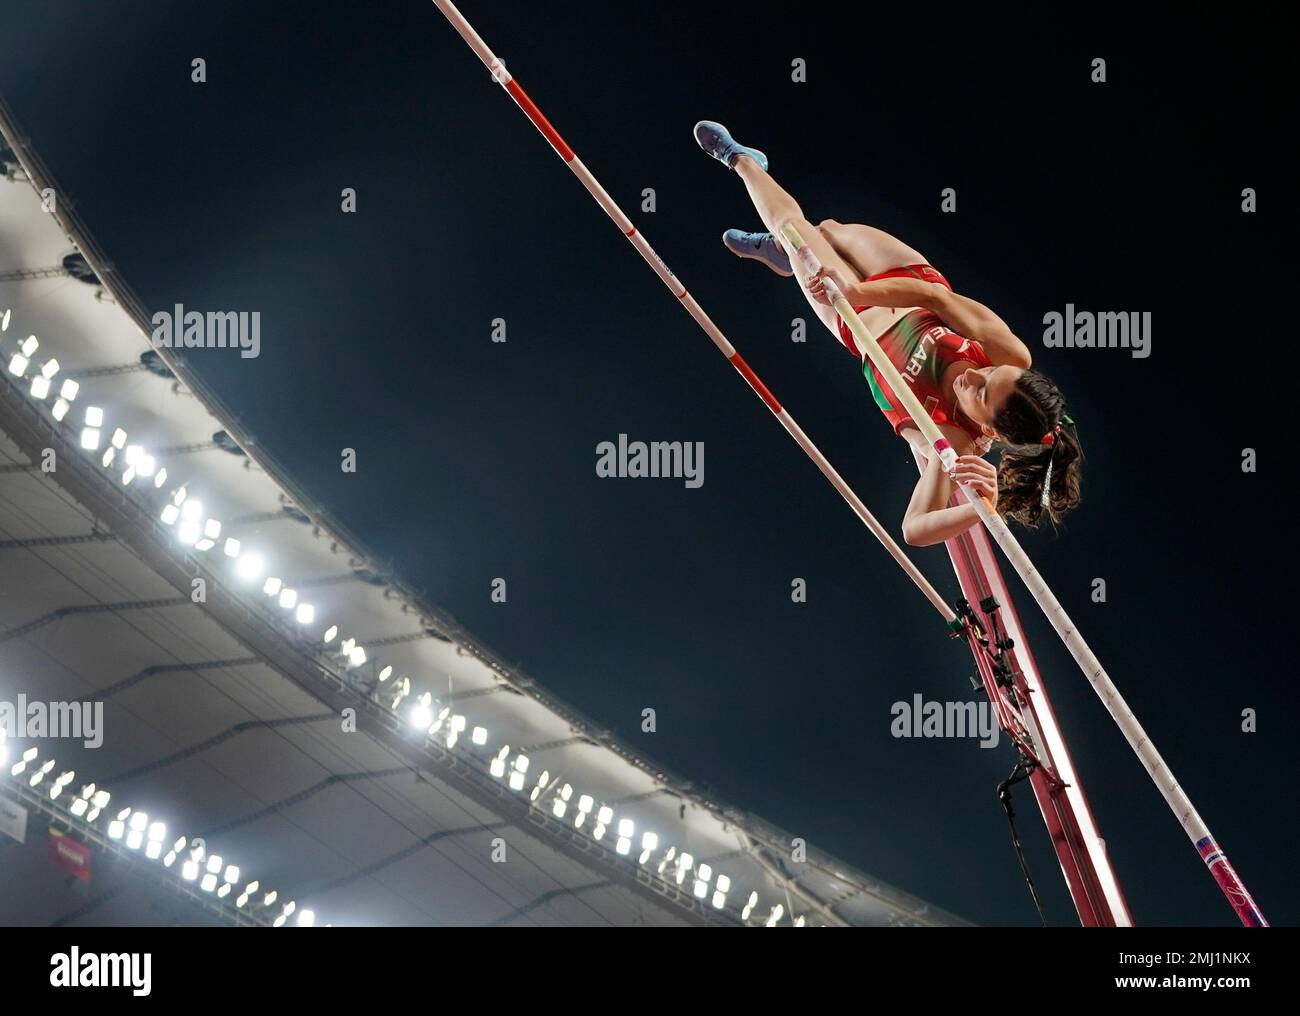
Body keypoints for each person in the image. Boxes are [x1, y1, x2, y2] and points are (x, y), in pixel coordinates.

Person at [694, 121, 1081, 546]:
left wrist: (982, 509)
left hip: (855, 323)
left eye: (981, 394)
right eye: (989, 374)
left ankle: (742, 160)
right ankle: (783, 253)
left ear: (993, 430)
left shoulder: (953, 437)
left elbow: (914, 529)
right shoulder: (1012, 355)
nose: (976, 375)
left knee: (796, 229)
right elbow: (937, 299)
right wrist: (859, 289)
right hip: (908, 281)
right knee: (828, 229)